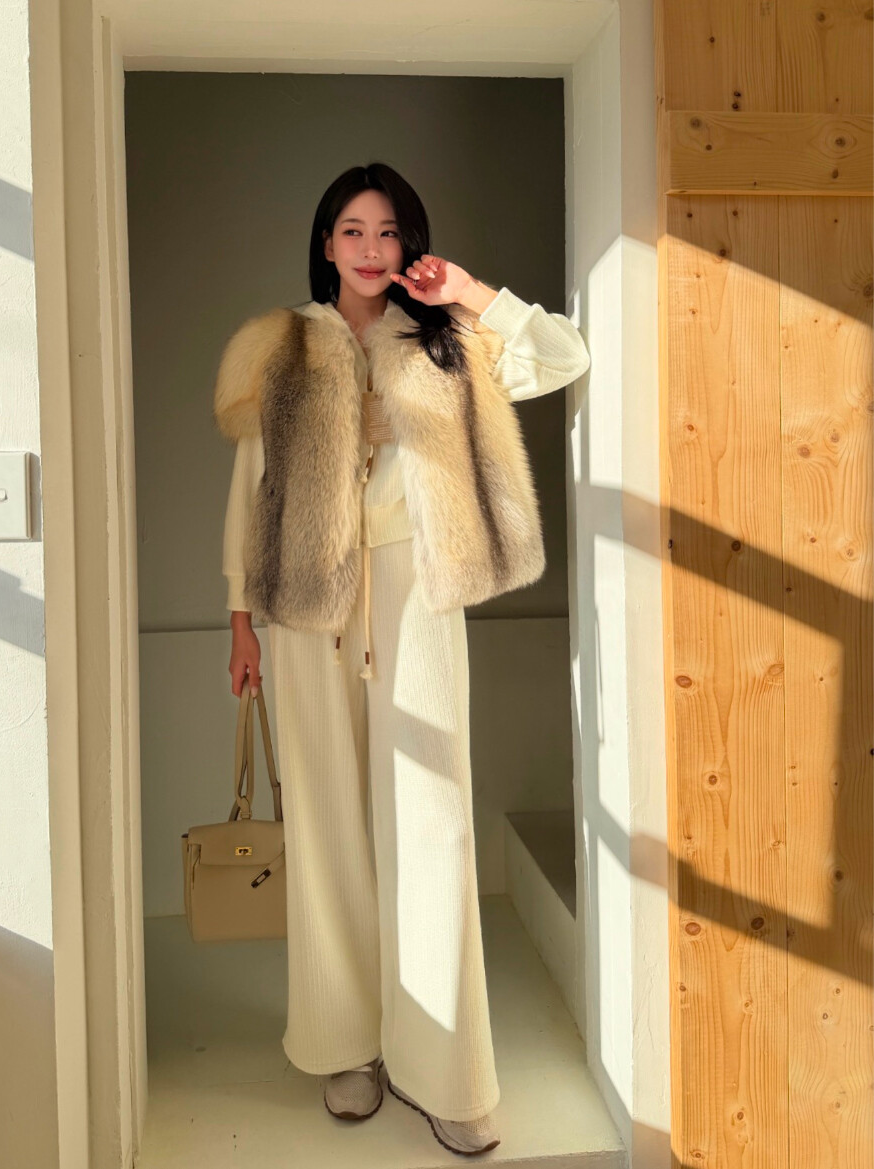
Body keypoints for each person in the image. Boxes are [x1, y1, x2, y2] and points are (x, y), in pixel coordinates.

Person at [214, 163, 590, 1157]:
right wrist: (240, 618)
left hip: (416, 592)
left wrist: (467, 292)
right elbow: (252, 485)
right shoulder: (283, 345)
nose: (371, 248)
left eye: (388, 231)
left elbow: (562, 355)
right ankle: (345, 1045)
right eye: (353, 230)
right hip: (305, 604)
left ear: (409, 242)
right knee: (327, 824)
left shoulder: (445, 340)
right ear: (325, 243)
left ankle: (445, 1070)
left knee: (430, 825)